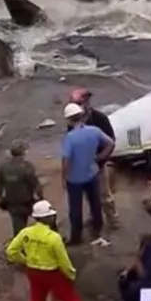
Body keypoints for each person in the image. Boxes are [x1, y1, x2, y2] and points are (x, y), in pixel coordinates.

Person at [6, 200, 103, 301]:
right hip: (52, 274)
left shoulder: (26, 233)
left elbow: (11, 251)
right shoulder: (54, 238)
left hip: (34, 272)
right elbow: (63, 261)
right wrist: (71, 275)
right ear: (47, 218)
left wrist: (24, 260)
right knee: (71, 300)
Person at [61, 102, 114, 246]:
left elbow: (66, 160)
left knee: (75, 208)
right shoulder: (94, 131)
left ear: (69, 120)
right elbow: (110, 143)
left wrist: (63, 178)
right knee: (95, 204)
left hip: (75, 179)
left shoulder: (70, 138)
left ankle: (76, 238)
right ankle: (97, 230)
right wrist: (100, 157)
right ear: (82, 116)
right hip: (92, 174)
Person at [68, 88, 120, 230]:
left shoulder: (100, 119)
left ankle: (113, 219)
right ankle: (94, 217)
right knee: (90, 194)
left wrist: (100, 158)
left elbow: (111, 141)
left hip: (98, 164)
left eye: (80, 102)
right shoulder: (72, 122)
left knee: (104, 194)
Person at [0, 139, 43, 236]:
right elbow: (35, 185)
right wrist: (41, 199)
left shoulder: (4, 167)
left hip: (12, 202)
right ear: (23, 152)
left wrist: (1, 198)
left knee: (18, 229)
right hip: (27, 202)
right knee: (45, 219)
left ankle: (19, 247)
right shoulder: (27, 166)